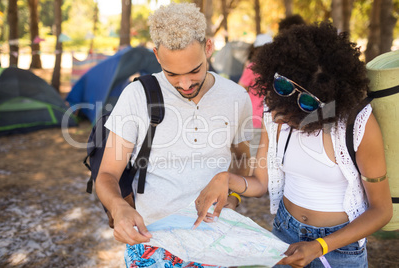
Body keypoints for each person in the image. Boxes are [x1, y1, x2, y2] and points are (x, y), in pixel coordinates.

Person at [194, 22, 393, 267]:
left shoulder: (357, 123)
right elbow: (260, 182)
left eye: (305, 108)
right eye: (278, 105)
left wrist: (319, 246)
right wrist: (226, 180)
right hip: (285, 235)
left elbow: (381, 211)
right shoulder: (277, 112)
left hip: (339, 248)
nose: (280, 118)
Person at [95, 2, 253, 268]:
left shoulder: (236, 97)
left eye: (194, 70)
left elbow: (244, 160)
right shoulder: (136, 96)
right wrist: (119, 207)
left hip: (216, 240)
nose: (185, 84)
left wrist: (234, 198)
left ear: (209, 48)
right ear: (157, 55)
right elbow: (107, 175)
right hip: (153, 240)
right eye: (173, 74)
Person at [238, 33, 273, 130]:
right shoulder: (277, 68)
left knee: (256, 144)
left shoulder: (252, 67)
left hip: (254, 116)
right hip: (272, 117)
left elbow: (240, 89)